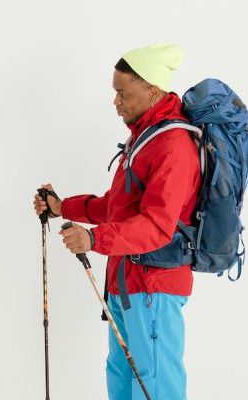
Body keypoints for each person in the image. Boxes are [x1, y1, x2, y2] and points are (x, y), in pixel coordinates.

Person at [34, 44, 200, 400]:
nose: (116, 102)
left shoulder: (173, 145)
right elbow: (117, 206)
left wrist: (94, 241)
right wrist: (63, 207)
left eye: (123, 93)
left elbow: (158, 226)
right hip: (127, 285)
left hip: (154, 285)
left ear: (153, 90)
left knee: (155, 384)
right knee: (122, 378)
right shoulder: (145, 138)